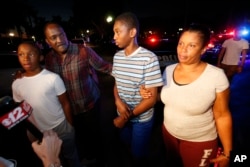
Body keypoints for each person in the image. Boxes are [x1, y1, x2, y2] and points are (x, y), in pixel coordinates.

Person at [141, 23, 233, 167]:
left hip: (199, 141)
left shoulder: (216, 76)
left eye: (191, 45)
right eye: (181, 43)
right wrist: (149, 94)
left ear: (203, 49)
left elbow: (222, 115)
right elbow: (166, 97)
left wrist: (228, 154)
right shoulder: (169, 70)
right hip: (169, 135)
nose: (183, 49)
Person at [43, 21, 113, 166]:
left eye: (61, 34)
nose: (59, 40)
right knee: (78, 136)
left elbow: (106, 67)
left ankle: (101, 160)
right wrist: (23, 75)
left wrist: (133, 73)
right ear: (48, 41)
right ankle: (87, 157)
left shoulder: (83, 51)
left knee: (96, 137)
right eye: (53, 37)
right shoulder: (49, 59)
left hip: (90, 105)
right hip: (68, 110)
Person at [12, 41, 82, 167]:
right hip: (36, 130)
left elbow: (65, 103)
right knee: (49, 158)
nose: (26, 58)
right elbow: (21, 109)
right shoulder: (17, 83)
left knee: (70, 155)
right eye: (21, 54)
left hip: (60, 127)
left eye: (31, 54)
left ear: (40, 57)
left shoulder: (53, 78)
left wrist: (70, 126)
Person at [111, 12, 163, 167]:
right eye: (114, 32)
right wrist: (118, 102)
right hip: (122, 115)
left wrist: (124, 117)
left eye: (118, 32)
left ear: (132, 32)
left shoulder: (149, 58)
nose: (114, 36)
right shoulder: (117, 57)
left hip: (141, 120)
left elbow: (152, 99)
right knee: (127, 146)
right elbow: (116, 84)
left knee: (138, 155)